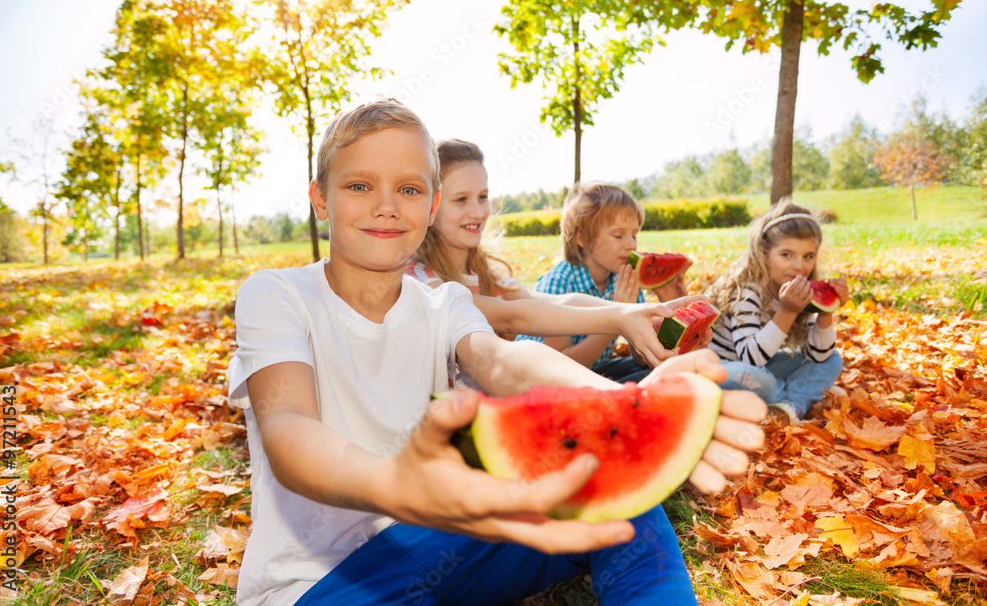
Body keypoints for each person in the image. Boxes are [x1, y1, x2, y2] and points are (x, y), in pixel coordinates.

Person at [227, 97, 767, 606]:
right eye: (361, 186)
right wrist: (394, 485)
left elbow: (505, 360)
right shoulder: (276, 294)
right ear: (321, 196)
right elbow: (288, 424)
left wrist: (622, 403)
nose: (387, 207)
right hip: (320, 583)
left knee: (613, 472)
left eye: (411, 190)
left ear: (430, 204)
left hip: (446, 541)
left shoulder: (444, 302)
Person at [406, 138, 684, 368]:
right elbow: (512, 315)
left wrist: (634, 310)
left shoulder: (487, 275)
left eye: (483, 196)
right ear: (432, 204)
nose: (478, 212)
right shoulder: (424, 281)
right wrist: (618, 318)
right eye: (461, 200)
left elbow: (558, 302)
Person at [517, 182, 696, 382]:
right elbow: (560, 368)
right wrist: (617, 317)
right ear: (582, 238)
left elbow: (640, 358)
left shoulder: (624, 278)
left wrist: (666, 307)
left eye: (634, 235)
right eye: (618, 235)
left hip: (593, 370)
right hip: (539, 377)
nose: (632, 244)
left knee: (657, 374)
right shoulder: (557, 284)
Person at [706, 198, 849, 423]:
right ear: (764, 254)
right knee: (758, 378)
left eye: (808, 256)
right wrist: (788, 311)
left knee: (833, 359)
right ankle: (799, 396)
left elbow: (818, 355)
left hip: (763, 366)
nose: (799, 266)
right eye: (786, 255)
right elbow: (751, 359)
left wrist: (825, 313)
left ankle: (783, 408)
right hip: (722, 369)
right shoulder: (747, 291)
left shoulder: (800, 289)